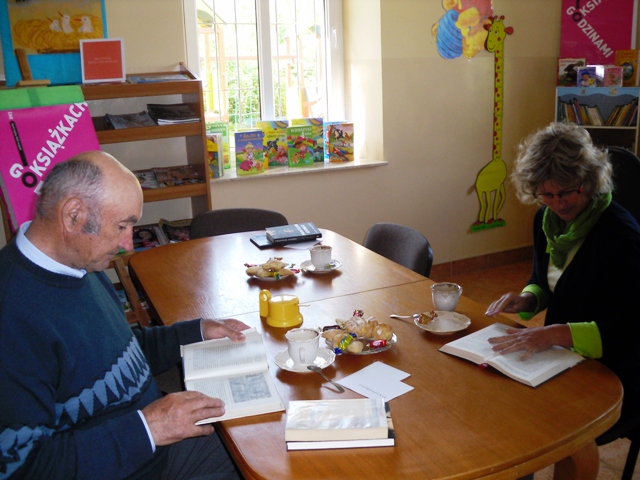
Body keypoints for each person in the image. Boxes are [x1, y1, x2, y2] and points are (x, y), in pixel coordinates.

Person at [0, 151, 250, 479]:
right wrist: (148, 428)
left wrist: (196, 332)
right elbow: (23, 468)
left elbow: (121, 349)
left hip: (150, 443)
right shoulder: (12, 316)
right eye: (121, 226)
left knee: (263, 440)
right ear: (73, 215)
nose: (127, 244)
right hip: (129, 462)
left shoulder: (78, 264)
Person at [485, 122, 640, 436]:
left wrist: (558, 333)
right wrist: (528, 298)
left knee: (544, 427)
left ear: (588, 181)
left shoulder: (621, 236)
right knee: (505, 407)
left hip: (615, 369)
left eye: (567, 192)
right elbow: (544, 280)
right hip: (562, 356)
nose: (558, 203)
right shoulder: (546, 220)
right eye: (546, 194)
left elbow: (631, 328)